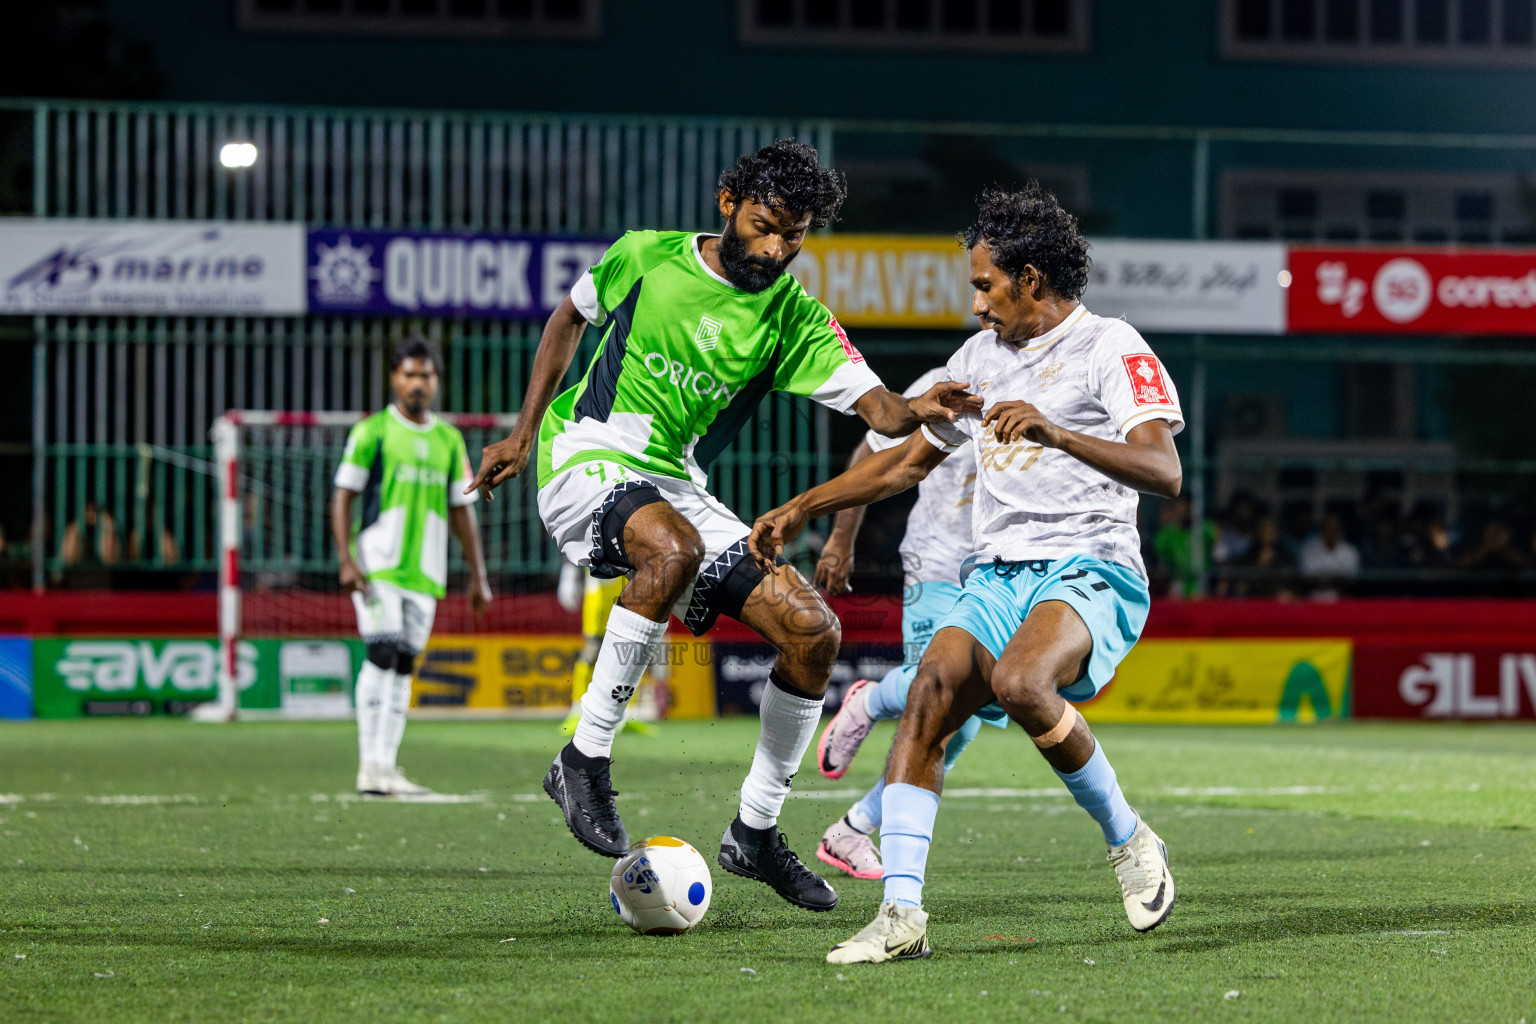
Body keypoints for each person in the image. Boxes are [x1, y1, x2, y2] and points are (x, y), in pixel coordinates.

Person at [467, 139, 977, 911]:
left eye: (794, 235)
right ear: (727, 202)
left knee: (814, 631)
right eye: (766, 225)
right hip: (585, 454)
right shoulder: (644, 256)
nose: (775, 249)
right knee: (674, 548)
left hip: (675, 484)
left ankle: (756, 832)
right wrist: (524, 431)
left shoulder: (792, 315)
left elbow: (880, 410)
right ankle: (582, 759)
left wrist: (923, 404)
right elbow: (568, 318)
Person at [748, 183, 1184, 962]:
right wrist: (802, 507)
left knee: (1020, 684)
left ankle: (1131, 841)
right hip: (997, 574)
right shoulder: (978, 361)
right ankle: (901, 917)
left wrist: (1057, 433)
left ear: (1031, 280)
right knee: (930, 695)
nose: (977, 303)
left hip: (1092, 567)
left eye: (986, 285)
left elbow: (1164, 468)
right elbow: (903, 464)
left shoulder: (1111, 347)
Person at [810, 367, 989, 882]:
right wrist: (842, 539)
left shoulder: (1057, 375)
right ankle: (870, 701)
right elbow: (872, 452)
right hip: (937, 563)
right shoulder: (956, 376)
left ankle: (852, 827)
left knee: (965, 723)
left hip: (1001, 567)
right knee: (940, 694)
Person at [331, 337, 492, 798]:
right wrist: (346, 559)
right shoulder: (373, 432)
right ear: (394, 378)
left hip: (426, 573)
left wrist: (478, 576)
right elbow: (344, 497)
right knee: (381, 653)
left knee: (403, 665)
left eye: (426, 375)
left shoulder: (448, 439)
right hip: (378, 565)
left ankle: (385, 768)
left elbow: (461, 509)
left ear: (436, 382)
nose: (418, 383)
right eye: (409, 374)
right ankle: (369, 766)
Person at [558, 561, 664, 737]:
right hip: (598, 608)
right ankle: (577, 711)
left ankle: (629, 715)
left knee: (632, 657)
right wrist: (569, 575)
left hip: (628, 604)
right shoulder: (597, 540)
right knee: (591, 656)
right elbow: (579, 552)